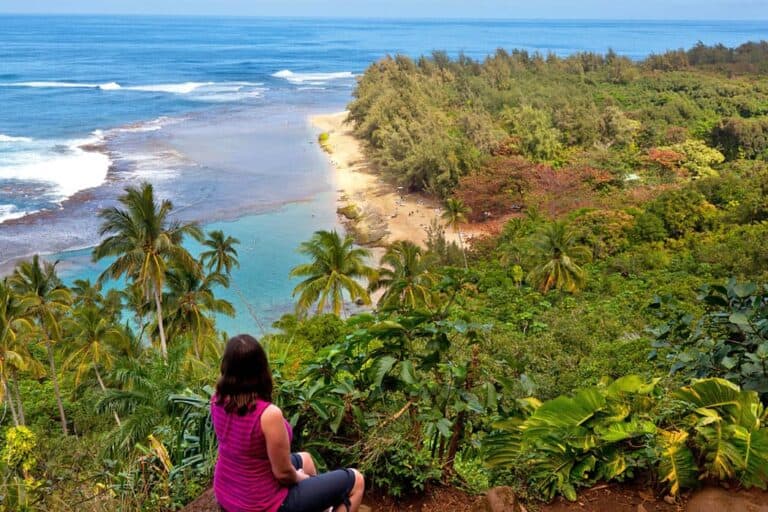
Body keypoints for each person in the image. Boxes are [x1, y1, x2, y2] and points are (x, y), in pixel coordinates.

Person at [212, 334, 365, 512]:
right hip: (260, 505)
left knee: (306, 460)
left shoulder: (218, 399)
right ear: (261, 369)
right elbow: (283, 474)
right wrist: (302, 478)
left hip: (227, 492)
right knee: (356, 480)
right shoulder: (268, 415)